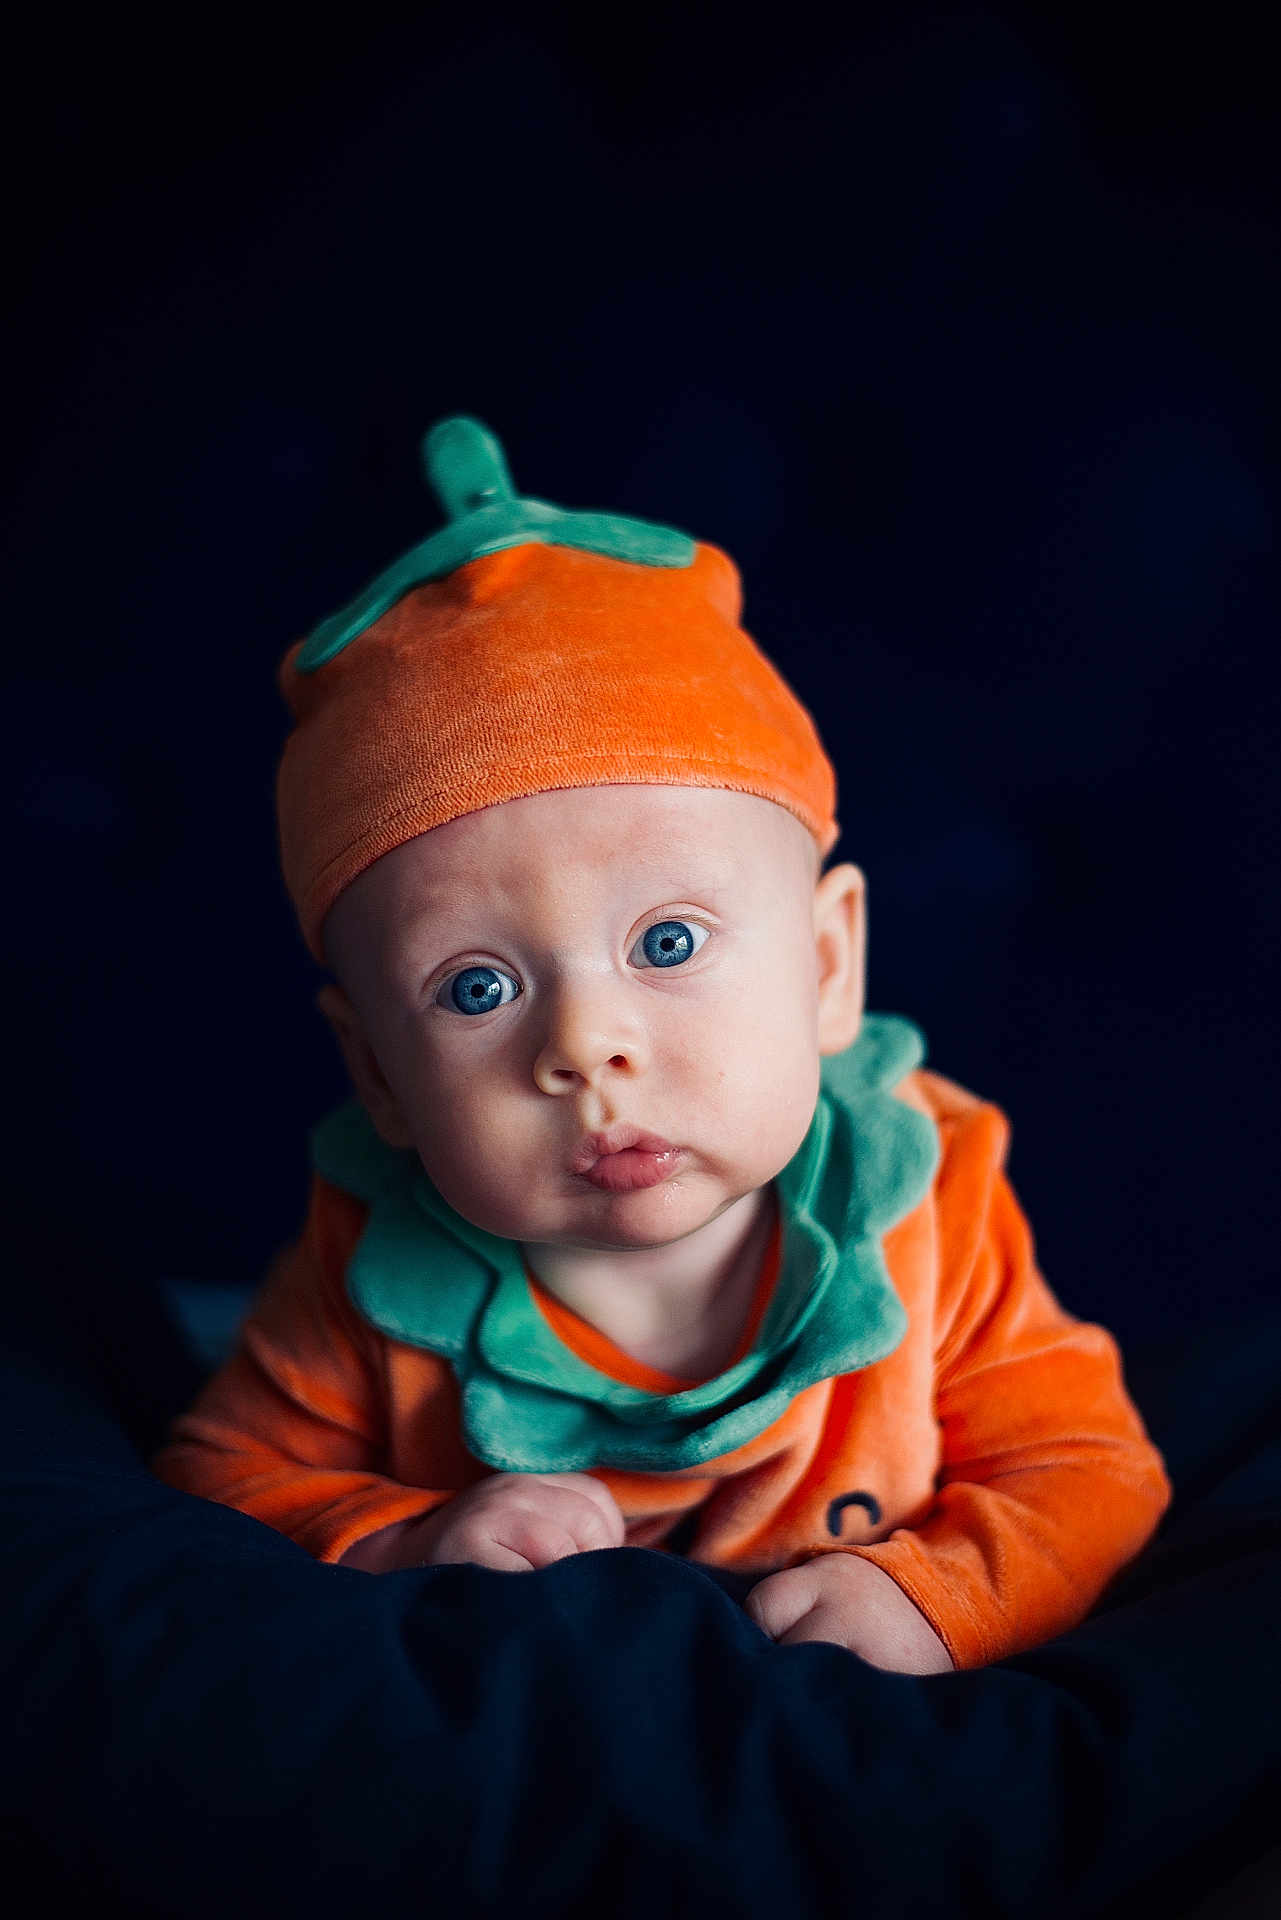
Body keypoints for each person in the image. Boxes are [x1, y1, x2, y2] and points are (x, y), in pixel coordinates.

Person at [152, 416, 1170, 1673]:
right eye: (477, 987)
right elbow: (221, 1474)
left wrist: (943, 1596)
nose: (586, 1047)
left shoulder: (929, 1204)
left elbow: (1086, 1466)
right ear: (378, 1073)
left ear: (827, 965)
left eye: (669, 943)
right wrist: (409, 1541)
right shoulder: (369, 1262)